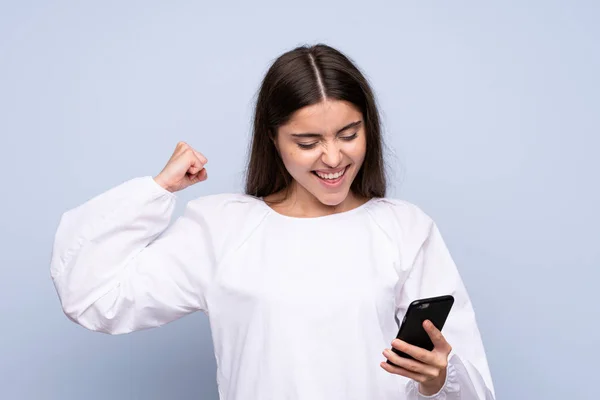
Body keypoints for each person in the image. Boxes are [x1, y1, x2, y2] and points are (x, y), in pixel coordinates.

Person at [50, 43, 495, 400]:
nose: (334, 158)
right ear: (273, 138)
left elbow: (471, 385)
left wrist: (437, 380)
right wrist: (155, 191)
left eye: (349, 134)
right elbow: (92, 297)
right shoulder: (222, 228)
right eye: (308, 142)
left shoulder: (405, 229)